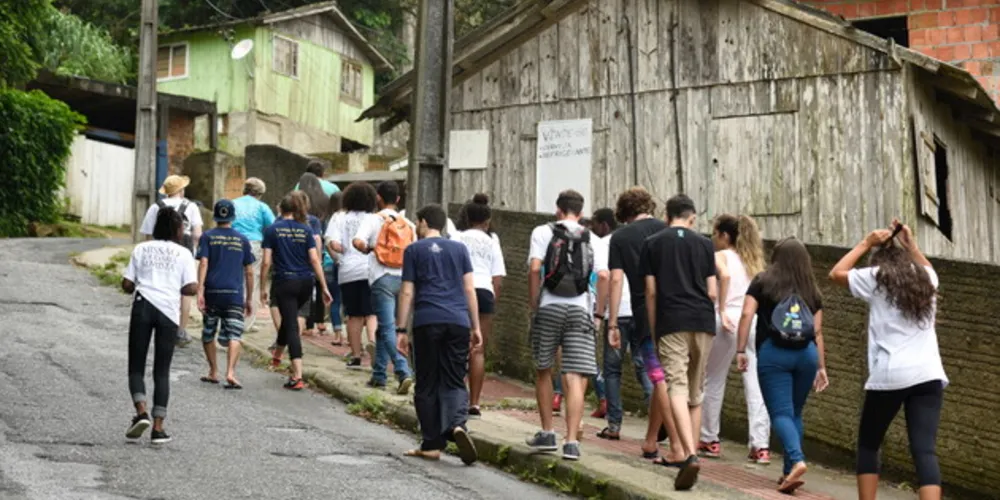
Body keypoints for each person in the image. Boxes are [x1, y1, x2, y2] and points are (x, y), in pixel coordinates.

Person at [828, 221, 946, 500]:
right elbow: (928, 267)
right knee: (924, 449)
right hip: (928, 374)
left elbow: (836, 273)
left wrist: (865, 243)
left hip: (891, 373)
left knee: (869, 443)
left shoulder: (876, 276)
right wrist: (912, 245)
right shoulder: (926, 278)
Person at [736, 236, 828, 494]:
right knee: (795, 412)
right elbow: (817, 332)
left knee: (780, 413)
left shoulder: (763, 281)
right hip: (806, 354)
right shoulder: (812, 290)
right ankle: (789, 472)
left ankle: (797, 460)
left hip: (774, 354)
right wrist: (821, 366)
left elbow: (746, 314)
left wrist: (741, 349)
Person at [395, 204, 482, 465]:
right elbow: (469, 289)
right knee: (455, 377)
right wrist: (475, 325)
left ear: (422, 223)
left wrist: (401, 329)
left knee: (427, 381)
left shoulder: (413, 250)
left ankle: (432, 443)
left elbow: (408, 291)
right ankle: (457, 425)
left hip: (427, 321)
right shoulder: (459, 249)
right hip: (458, 321)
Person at [641, 194, 717, 490]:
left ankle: (690, 455)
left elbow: (650, 291)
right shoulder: (705, 244)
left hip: (672, 320)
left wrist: (653, 326)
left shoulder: (653, 243)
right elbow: (712, 291)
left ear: (666, 215)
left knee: (676, 385)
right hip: (703, 322)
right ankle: (690, 452)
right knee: (696, 391)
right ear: (692, 217)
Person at [606, 187, 682, 464]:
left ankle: (676, 443)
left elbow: (615, 280)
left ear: (624, 213)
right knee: (663, 375)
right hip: (676, 309)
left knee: (659, 377)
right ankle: (651, 441)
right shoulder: (667, 228)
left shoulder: (621, 236)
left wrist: (612, 322)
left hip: (644, 312)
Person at [524, 189, 598, 461]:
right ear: (580, 212)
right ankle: (571, 442)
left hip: (549, 307)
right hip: (580, 310)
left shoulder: (543, 232)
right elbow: (601, 275)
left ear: (558, 210)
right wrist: (598, 314)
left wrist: (534, 303)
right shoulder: (592, 238)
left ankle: (546, 433)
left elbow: (534, 268)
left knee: (544, 369)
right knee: (575, 375)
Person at [699, 214, 771, 464]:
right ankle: (760, 445)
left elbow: (725, 277)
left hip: (727, 319)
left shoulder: (720, 256)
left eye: (715, 232)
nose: (712, 237)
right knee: (755, 383)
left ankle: (709, 438)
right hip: (751, 322)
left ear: (725, 236)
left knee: (713, 379)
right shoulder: (755, 262)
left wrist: (720, 307)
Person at [122, 207, 198, 444]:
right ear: (178, 230)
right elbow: (192, 288)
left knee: (136, 365)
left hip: (143, 306)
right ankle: (158, 428)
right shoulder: (183, 253)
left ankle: (141, 412)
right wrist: (174, 285)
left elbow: (127, 283)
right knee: (161, 371)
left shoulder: (141, 249)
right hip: (168, 312)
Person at [260, 192, 333, 391]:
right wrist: (324, 286)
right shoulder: (306, 229)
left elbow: (266, 261)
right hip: (306, 282)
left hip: (285, 281)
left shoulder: (272, 230)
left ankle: (297, 375)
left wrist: (261, 288)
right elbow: (315, 259)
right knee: (289, 317)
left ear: (280, 209)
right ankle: (277, 356)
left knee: (291, 324)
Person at [353, 181, 415, 394]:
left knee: (387, 327)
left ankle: (403, 370)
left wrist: (369, 248)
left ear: (378, 198)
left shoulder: (372, 219)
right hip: (405, 280)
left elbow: (357, 241)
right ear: (398, 200)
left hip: (382, 278)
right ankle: (379, 375)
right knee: (385, 327)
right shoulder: (409, 223)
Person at [587, 207, 644, 437]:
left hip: (618, 314)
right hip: (641, 313)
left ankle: (614, 424)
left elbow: (605, 276)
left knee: (612, 370)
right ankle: (661, 419)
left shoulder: (607, 243)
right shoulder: (648, 239)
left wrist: (600, 314)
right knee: (646, 367)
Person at [451, 194, 506, 417]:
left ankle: (457, 396)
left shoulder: (458, 238)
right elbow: (498, 277)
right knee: (478, 349)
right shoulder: (493, 241)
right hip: (484, 292)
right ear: (487, 219)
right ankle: (474, 403)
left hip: (461, 292)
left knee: (457, 347)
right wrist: (493, 299)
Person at [139, 175, 204, 347]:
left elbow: (147, 234)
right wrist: (194, 251)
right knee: (185, 291)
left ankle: (159, 324)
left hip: (160, 248)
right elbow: (197, 234)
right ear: (181, 190)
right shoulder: (191, 207)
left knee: (163, 285)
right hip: (185, 248)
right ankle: (180, 331)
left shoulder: (155, 207)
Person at [196, 200, 255, 390]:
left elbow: (203, 263)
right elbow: (249, 271)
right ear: (232, 217)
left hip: (213, 291)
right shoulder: (242, 240)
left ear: (215, 216)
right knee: (235, 334)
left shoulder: (207, 237)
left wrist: (200, 290)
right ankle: (230, 372)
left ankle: (213, 371)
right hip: (234, 293)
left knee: (208, 333)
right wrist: (248, 298)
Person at [325, 182, 379, 369]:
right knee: (372, 313)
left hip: (348, 271)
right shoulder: (375, 218)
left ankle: (356, 356)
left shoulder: (339, 217)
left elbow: (333, 243)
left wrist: (341, 254)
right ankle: (372, 342)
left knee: (353, 315)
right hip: (372, 270)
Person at [231, 178, 276, 332]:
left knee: (235, 278)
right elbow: (272, 226)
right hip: (254, 243)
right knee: (253, 280)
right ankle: (247, 321)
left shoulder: (234, 203)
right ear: (260, 193)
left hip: (234, 242)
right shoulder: (262, 207)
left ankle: (232, 316)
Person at [324, 192, 345, 346]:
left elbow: (327, 242)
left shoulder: (331, 218)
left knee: (335, 300)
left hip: (330, 263)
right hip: (353, 266)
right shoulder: (355, 216)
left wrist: (336, 258)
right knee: (350, 302)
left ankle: (338, 335)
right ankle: (353, 338)